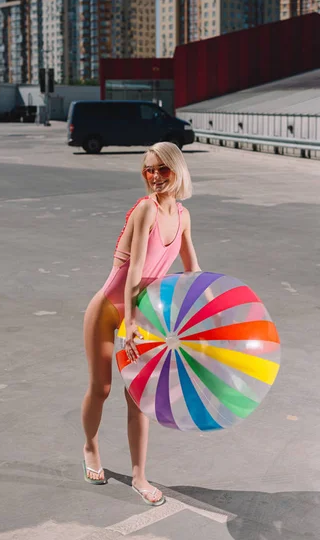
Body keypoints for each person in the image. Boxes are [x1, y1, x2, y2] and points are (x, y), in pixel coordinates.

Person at [81, 141, 200, 506]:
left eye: (162, 168)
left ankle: (139, 476)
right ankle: (90, 447)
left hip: (144, 316)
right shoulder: (144, 210)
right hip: (109, 311)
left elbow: (192, 270)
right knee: (101, 388)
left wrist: (206, 314)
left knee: (137, 398)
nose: (155, 176)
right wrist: (129, 322)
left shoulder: (182, 216)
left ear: (177, 170)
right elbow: (134, 272)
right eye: (149, 169)